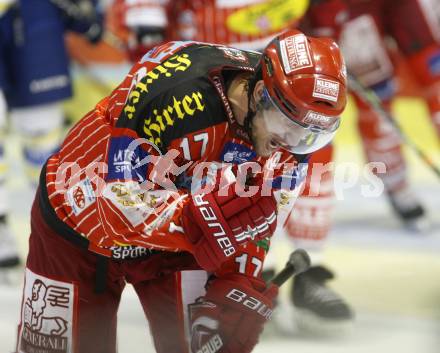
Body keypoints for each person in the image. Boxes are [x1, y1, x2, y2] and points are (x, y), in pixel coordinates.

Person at [16, 29, 347, 353]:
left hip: (179, 240)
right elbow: (116, 203)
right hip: (78, 221)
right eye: (289, 126)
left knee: (206, 343)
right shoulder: (176, 96)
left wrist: (238, 283)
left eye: (312, 135)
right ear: (260, 93)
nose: (292, 143)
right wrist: (193, 219)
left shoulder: (291, 137)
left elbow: (258, 222)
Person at [110, 0, 355, 332]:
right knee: (208, 171)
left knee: (307, 153)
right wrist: (146, 18)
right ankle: (220, 274)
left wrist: (324, 22)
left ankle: (304, 268)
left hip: (287, 56)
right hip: (215, 58)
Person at [0, 0, 102, 272]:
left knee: (41, 135)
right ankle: (1, 228)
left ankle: (55, 227)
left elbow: (86, 16)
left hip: (33, 24)